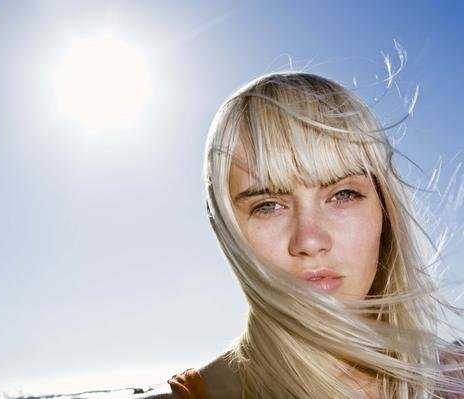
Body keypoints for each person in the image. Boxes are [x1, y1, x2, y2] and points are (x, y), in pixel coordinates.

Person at [135, 71, 464, 398]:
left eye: (343, 194)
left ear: (385, 211)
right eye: (268, 206)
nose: (309, 241)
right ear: (227, 230)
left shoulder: (453, 380)